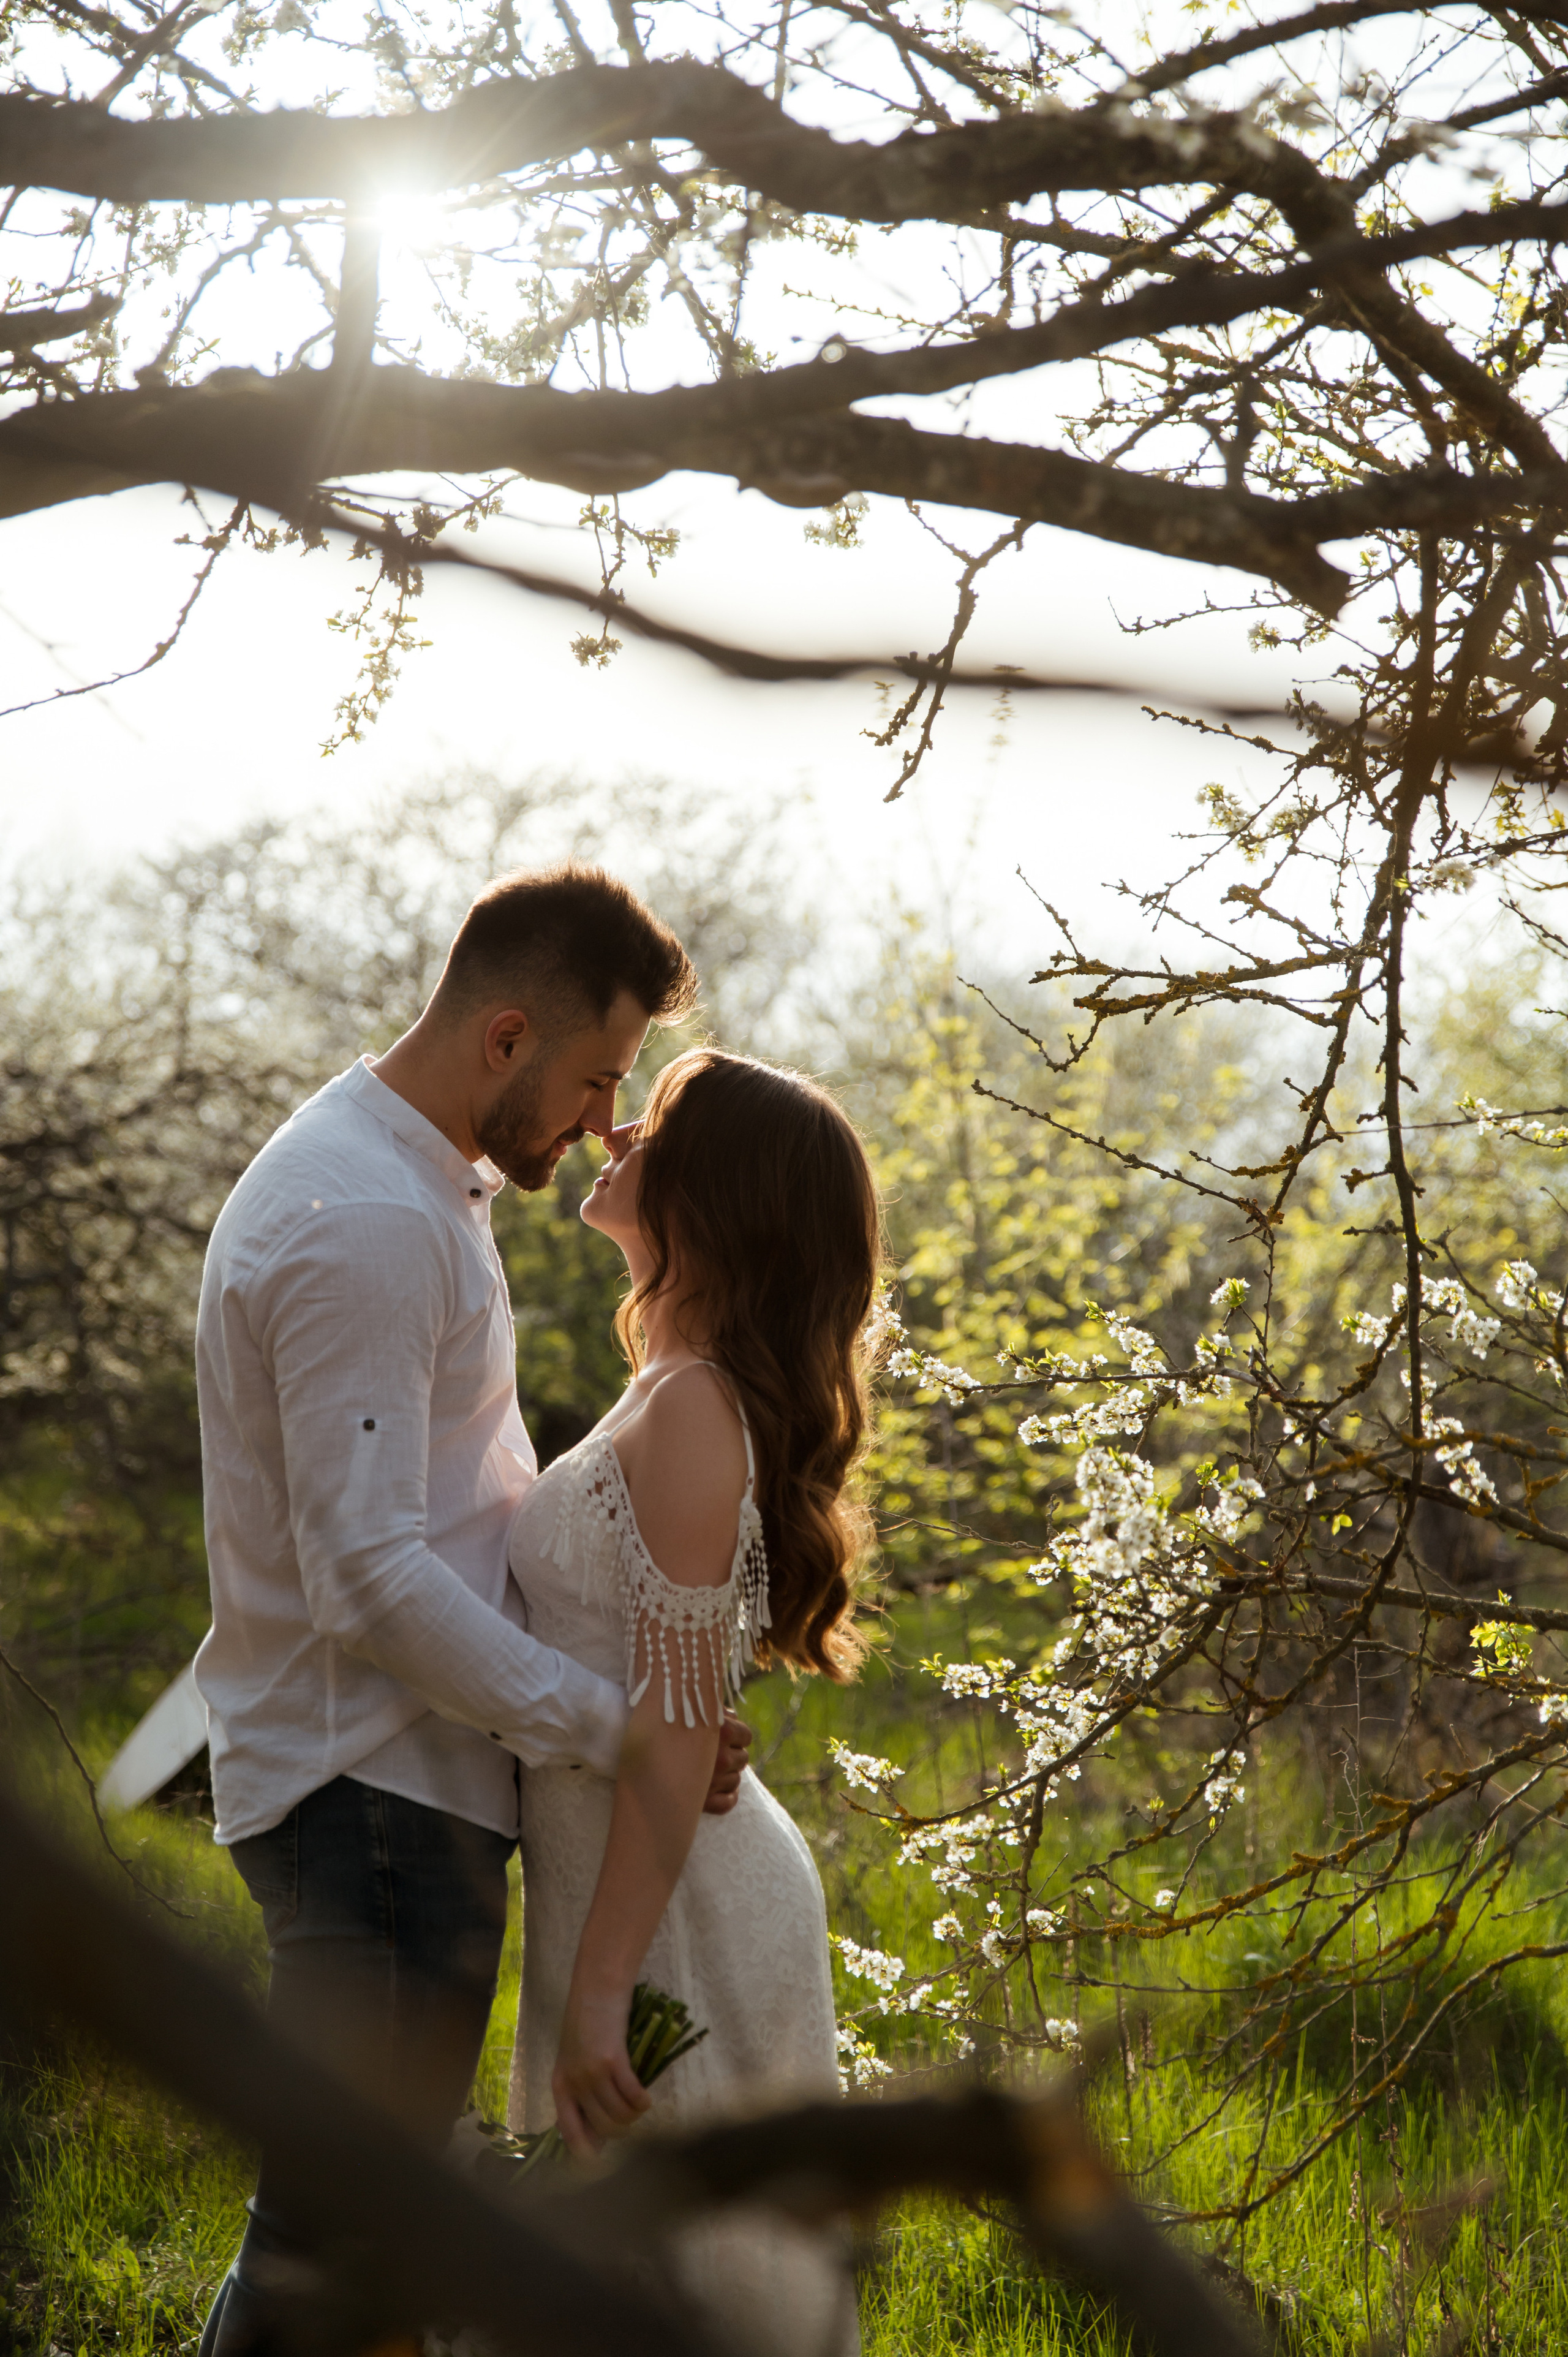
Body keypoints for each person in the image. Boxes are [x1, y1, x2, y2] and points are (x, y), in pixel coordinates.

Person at [193, 866, 752, 2357]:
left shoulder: (411, 1183)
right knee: (331, 2252)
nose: (594, 1122)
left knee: (345, 2248)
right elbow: (369, 1573)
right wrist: (614, 1729)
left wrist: (640, 1688)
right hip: (368, 1800)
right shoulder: (368, 1219)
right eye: (591, 1079)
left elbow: (451, 1513)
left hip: (395, 1794)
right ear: (507, 1035)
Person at [507, 1046, 881, 2357]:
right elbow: (659, 1687)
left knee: (698, 2294)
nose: (614, 1133)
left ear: (719, 1198)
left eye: (653, 1121)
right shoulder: (665, 1395)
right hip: (633, 1882)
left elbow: (669, 1727)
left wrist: (599, 1992)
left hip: (676, 1917)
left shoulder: (689, 1411)